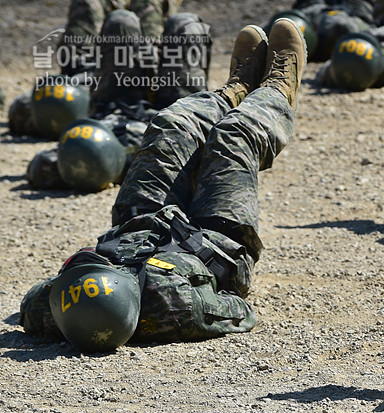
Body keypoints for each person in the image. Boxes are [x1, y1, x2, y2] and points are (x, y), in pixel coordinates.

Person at [18, 19, 305, 352]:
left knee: (170, 123)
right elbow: (240, 312)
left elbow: (31, 304)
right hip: (216, 241)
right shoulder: (176, 306)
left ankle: (234, 92)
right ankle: (277, 92)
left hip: (140, 225)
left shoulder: (51, 308)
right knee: (235, 135)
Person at [21, 7, 210, 191]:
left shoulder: (99, 155)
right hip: (176, 118)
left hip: (120, 108)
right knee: (186, 25)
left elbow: (43, 165)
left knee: (120, 20)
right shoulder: (176, 156)